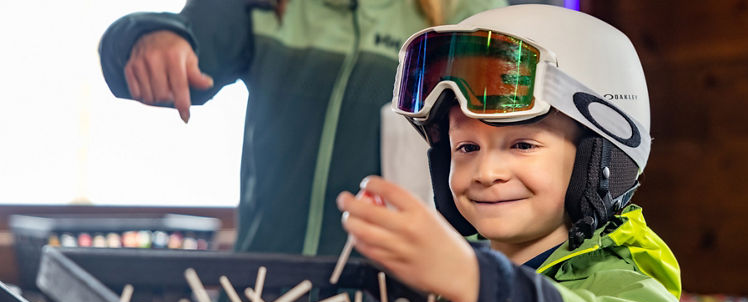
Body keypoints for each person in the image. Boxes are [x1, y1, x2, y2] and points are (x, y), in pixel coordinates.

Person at [336, 4, 688, 302]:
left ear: (599, 160)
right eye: (466, 148)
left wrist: (483, 284)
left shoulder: (627, 286)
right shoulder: (447, 280)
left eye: (522, 144)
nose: (486, 173)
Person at [98, 0, 504, 256]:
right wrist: (147, 37)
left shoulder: (470, 18)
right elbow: (180, 45)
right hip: (258, 289)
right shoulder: (265, 7)